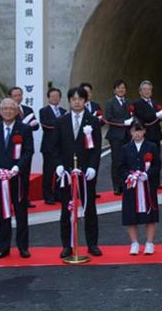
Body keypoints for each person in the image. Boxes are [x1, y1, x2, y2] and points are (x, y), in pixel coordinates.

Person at [52, 86, 103, 258]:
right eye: (73, 99)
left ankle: (92, 244)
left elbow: (96, 148)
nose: (76, 102)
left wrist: (92, 167)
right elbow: (55, 147)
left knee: (89, 208)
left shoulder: (93, 121)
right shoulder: (61, 122)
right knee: (67, 208)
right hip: (66, 173)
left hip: (85, 171)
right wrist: (58, 165)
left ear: (85, 101)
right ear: (69, 101)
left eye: (80, 99)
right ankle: (67, 245)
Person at [0, 97, 34, 259]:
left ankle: (23, 247)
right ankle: (3, 248)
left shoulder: (24, 129)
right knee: (3, 213)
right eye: (5, 108)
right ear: (0, 110)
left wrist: (17, 167)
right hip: (0, 178)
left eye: (11, 108)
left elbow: (28, 151)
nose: (8, 111)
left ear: (16, 111)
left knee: (21, 213)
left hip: (18, 178)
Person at [119, 120, 161, 255]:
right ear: (130, 132)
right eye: (134, 131)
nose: (137, 133)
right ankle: (134, 242)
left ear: (144, 131)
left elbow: (157, 165)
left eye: (139, 130)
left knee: (150, 215)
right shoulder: (125, 148)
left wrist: (147, 175)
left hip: (147, 186)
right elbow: (121, 167)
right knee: (131, 215)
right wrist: (129, 176)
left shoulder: (151, 146)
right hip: (131, 186)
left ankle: (149, 242)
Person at [133, 80, 162, 189]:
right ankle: (145, 180)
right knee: (145, 159)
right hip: (146, 136)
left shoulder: (155, 103)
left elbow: (157, 118)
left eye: (149, 89)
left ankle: (156, 182)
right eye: (144, 89)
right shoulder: (137, 104)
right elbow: (144, 117)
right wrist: (156, 115)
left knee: (156, 160)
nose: (147, 91)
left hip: (156, 135)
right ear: (140, 91)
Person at [9, 86, 38, 208]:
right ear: (10, 97)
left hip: (26, 146)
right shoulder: (8, 110)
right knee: (13, 175)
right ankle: (13, 200)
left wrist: (33, 125)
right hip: (13, 148)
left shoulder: (28, 109)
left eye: (19, 95)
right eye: (15, 95)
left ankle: (25, 199)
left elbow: (36, 126)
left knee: (25, 174)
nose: (17, 97)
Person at [103, 79, 132, 195]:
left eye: (123, 88)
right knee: (116, 162)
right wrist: (124, 122)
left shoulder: (128, 102)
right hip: (115, 136)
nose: (121, 90)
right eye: (119, 88)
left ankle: (126, 183)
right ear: (114, 90)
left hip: (128, 135)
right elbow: (109, 118)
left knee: (127, 161)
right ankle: (116, 186)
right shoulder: (110, 103)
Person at [38, 87, 65, 205]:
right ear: (48, 98)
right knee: (48, 172)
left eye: (57, 96)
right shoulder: (43, 111)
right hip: (48, 147)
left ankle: (59, 194)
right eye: (52, 96)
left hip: (61, 147)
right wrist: (60, 123)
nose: (55, 98)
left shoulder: (64, 111)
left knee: (61, 171)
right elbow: (46, 124)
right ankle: (48, 196)